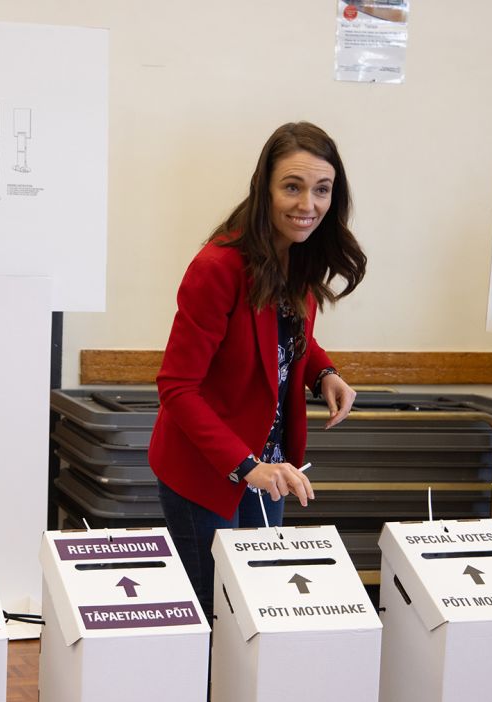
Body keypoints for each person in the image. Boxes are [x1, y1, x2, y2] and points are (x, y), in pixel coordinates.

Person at [148, 121, 367, 617]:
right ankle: (201, 699)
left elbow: (285, 338)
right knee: (212, 614)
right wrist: (245, 467)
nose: (307, 204)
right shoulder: (217, 268)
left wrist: (321, 372)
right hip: (207, 468)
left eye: (322, 189)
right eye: (292, 187)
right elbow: (176, 387)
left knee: (256, 608)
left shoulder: (300, 258)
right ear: (264, 188)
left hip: (269, 464)